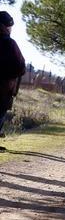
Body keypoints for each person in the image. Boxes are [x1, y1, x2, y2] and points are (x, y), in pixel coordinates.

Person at [0, 11, 26, 142]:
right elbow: (20, 65)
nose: (10, 29)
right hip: (3, 88)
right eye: (9, 26)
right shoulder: (9, 43)